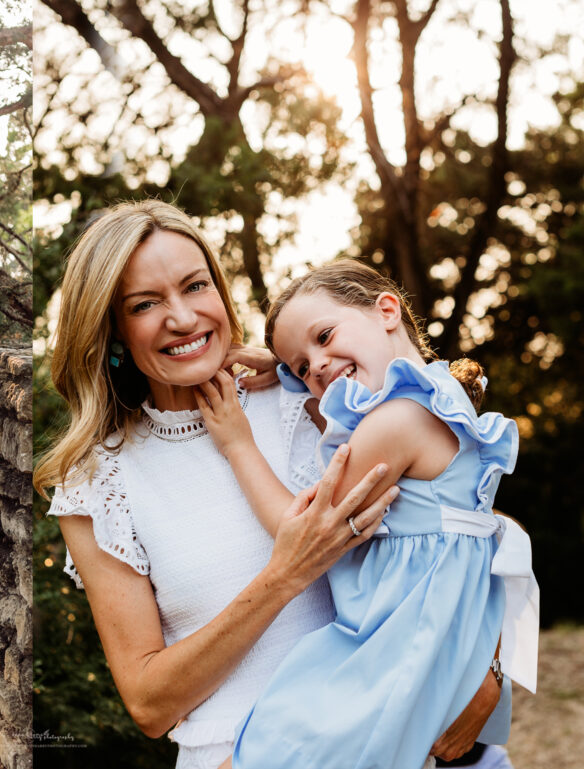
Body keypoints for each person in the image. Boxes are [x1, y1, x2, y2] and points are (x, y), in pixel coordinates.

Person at [34, 200, 512, 769]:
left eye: (195, 286)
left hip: (395, 740)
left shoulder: (320, 395)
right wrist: (285, 575)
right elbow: (148, 703)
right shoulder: (96, 481)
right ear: (112, 328)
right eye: (145, 304)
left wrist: (490, 671)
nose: (183, 318)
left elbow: (465, 519)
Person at [194, 260, 535, 768]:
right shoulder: (442, 401)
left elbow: (306, 531)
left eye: (325, 336)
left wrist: (238, 444)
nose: (318, 367)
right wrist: (286, 369)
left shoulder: (393, 423)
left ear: (388, 310)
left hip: (391, 659)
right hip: (440, 652)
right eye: (302, 366)